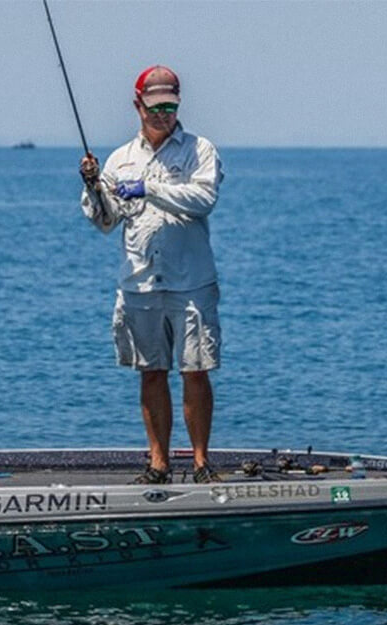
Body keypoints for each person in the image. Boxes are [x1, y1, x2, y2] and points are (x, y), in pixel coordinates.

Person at [79, 65, 224, 485]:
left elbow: (203, 198)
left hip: (191, 281)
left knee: (196, 370)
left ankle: (201, 464)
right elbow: (105, 219)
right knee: (151, 371)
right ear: (137, 104)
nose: (163, 114)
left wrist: (149, 188)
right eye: (155, 106)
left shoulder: (200, 150)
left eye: (170, 106)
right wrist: (93, 187)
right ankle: (158, 463)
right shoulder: (120, 158)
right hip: (140, 283)